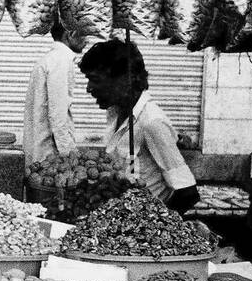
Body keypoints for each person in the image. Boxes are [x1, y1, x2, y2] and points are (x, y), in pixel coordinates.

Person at [80, 38, 199, 213]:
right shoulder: (115, 111)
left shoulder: (151, 122)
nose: (88, 88)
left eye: (95, 79)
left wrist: (153, 225)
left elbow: (188, 193)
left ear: (123, 80)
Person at [22, 22, 86, 167]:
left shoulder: (51, 59)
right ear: (70, 34)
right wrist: (69, 154)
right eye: (84, 34)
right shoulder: (60, 60)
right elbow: (58, 114)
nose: (87, 40)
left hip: (40, 152)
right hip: (48, 155)